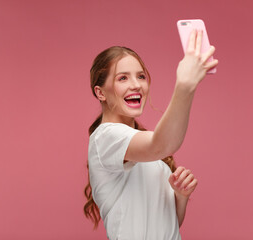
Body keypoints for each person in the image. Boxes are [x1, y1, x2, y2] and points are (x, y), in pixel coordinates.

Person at [84, 30, 218, 239]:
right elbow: (162, 144)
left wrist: (180, 196)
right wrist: (185, 85)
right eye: (122, 78)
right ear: (101, 92)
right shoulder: (106, 137)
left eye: (141, 76)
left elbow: (170, 222)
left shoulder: (148, 153)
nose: (136, 85)